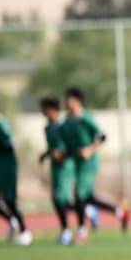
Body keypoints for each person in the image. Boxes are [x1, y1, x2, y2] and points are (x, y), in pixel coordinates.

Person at [60, 87, 129, 242]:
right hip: (77, 164)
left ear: (77, 101)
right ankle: (119, 212)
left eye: (69, 99)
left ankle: (82, 231)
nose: (66, 102)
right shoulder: (66, 122)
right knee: (88, 198)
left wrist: (90, 149)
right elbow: (67, 144)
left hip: (89, 163)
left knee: (79, 195)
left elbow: (102, 136)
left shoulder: (86, 118)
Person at [0, 97, 31, 245]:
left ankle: (25, 231)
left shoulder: (2, 124)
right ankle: (12, 220)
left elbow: (8, 145)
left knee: (10, 200)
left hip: (7, 169)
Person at [39, 98, 77, 245]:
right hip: (55, 167)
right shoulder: (47, 128)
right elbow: (51, 147)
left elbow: (71, 146)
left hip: (65, 166)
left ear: (53, 110)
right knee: (59, 200)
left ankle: (66, 231)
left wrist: (62, 154)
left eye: (45, 109)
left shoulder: (63, 126)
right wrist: (45, 155)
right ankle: (86, 212)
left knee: (59, 198)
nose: (43, 112)